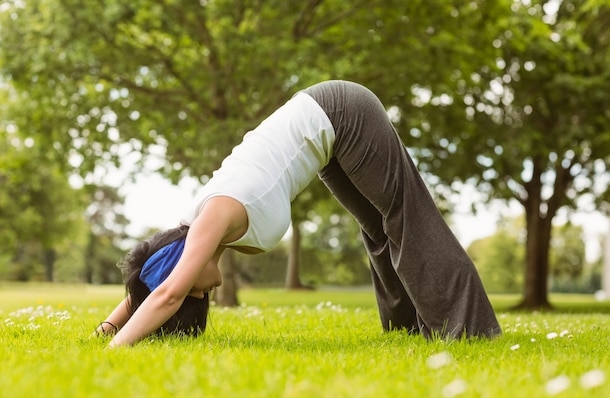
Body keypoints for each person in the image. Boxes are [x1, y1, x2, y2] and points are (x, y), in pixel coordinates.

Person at [95, 80, 502, 347]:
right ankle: (408, 330)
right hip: (327, 138)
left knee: (403, 213)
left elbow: (167, 293)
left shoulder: (211, 217)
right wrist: (107, 327)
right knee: (377, 228)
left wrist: (114, 351)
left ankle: (469, 330)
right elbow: (149, 282)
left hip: (342, 111)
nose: (201, 293)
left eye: (193, 291)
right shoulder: (192, 231)